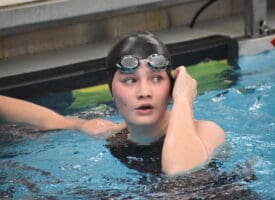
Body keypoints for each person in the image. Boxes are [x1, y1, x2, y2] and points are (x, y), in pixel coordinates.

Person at [0, 31, 225, 175]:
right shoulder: (111, 133)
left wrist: (184, 100)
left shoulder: (206, 132)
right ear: (112, 93)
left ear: (172, 86)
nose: (144, 92)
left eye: (157, 79)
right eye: (130, 80)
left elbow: (179, 171)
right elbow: (51, 120)